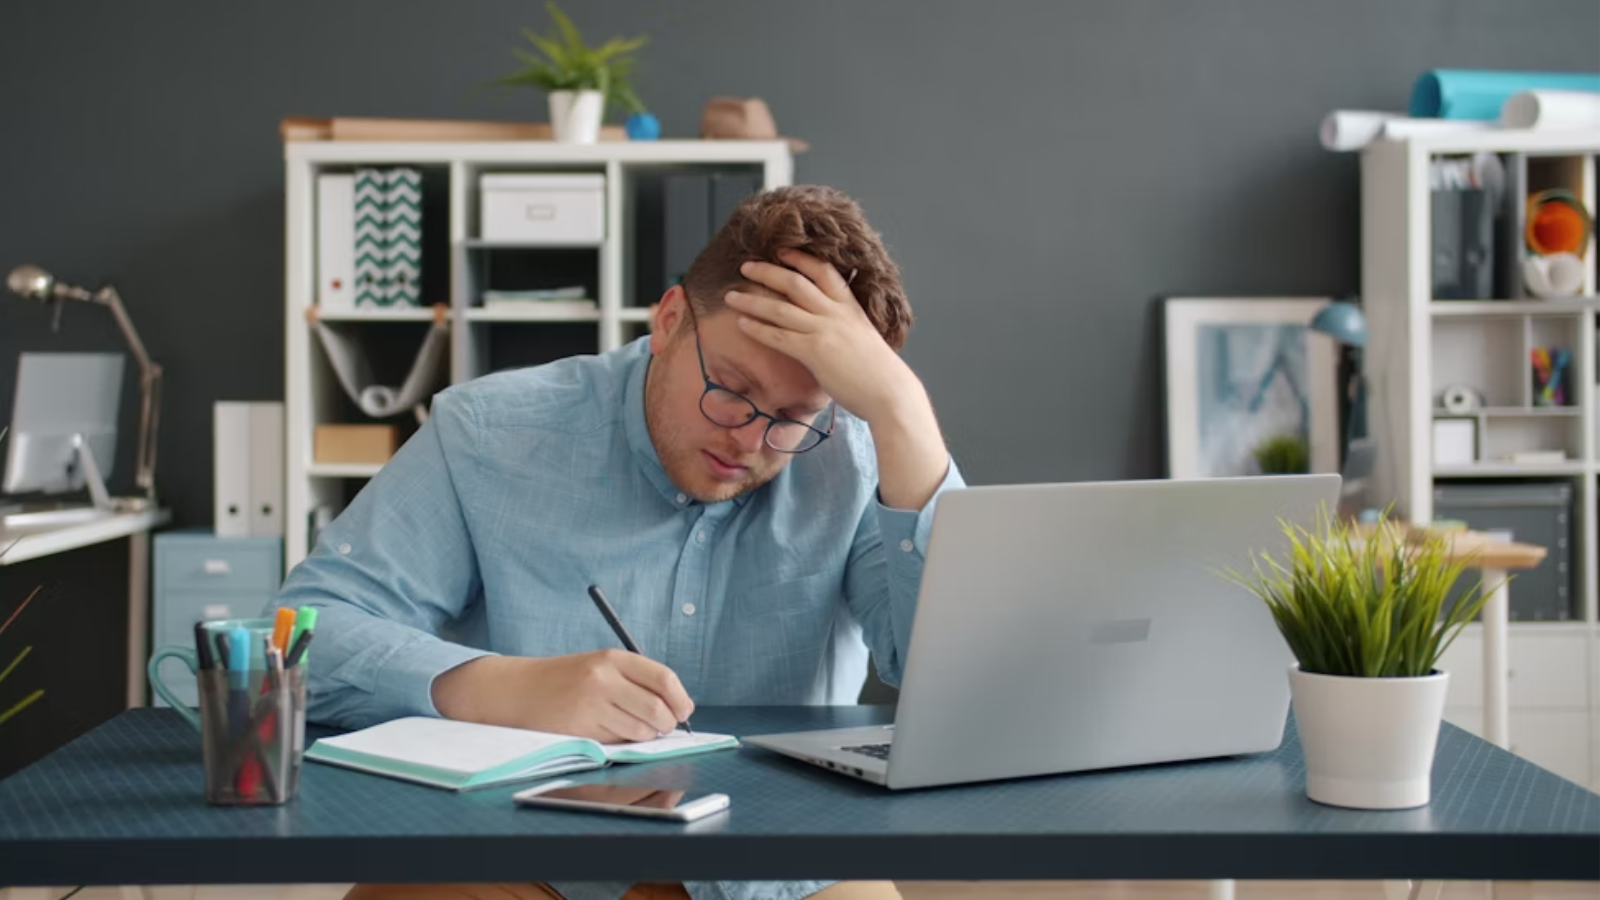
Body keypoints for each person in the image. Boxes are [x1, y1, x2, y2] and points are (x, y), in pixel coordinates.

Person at [272, 185, 965, 900]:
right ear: (667, 321)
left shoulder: (854, 459)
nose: (752, 439)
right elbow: (294, 641)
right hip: (517, 857)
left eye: (794, 416)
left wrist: (902, 411)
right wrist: (495, 686)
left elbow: (958, 681)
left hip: (784, 874)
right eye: (730, 387)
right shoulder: (487, 434)